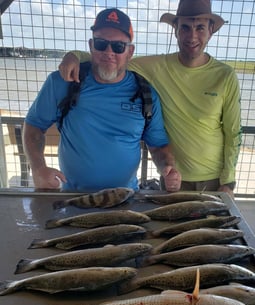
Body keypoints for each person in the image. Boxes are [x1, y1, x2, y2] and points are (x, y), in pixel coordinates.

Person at [59, 0, 242, 198]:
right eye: (185, 28)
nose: (192, 36)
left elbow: (233, 133)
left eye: (200, 28)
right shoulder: (156, 66)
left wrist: (228, 182)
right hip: (172, 177)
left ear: (211, 30)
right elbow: (111, 56)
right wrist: (74, 55)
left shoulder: (225, 75)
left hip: (213, 179)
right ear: (176, 30)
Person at [23, 8, 181, 192]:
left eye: (118, 46)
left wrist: (168, 169)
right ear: (91, 46)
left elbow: (158, 146)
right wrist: (38, 168)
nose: (108, 52)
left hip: (125, 199)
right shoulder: (62, 82)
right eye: (101, 43)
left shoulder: (145, 93)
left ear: (130, 52)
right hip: (74, 198)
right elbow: (34, 126)